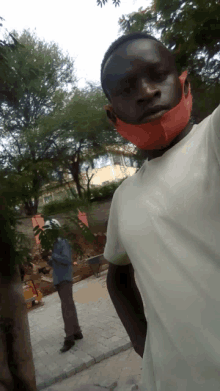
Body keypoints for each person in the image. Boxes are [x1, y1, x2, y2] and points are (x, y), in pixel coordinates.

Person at [101, 31, 220, 391]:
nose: (146, 91)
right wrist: (144, 344)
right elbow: (117, 279)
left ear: (183, 81)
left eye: (157, 75)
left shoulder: (212, 138)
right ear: (112, 115)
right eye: (126, 88)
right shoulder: (123, 198)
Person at [44, 219, 83, 353]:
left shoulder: (62, 242)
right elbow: (56, 263)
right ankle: (77, 331)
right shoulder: (55, 244)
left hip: (64, 279)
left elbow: (67, 260)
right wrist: (48, 259)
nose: (48, 234)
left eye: (49, 231)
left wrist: (53, 255)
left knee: (66, 308)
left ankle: (69, 338)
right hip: (59, 279)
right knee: (69, 306)